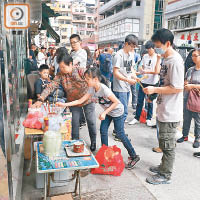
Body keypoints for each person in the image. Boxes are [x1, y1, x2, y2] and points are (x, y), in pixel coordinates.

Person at [56, 67, 140, 169]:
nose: (85, 80)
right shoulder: (91, 89)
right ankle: (105, 155)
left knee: (120, 134)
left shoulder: (104, 89)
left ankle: (134, 156)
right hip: (109, 112)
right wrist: (64, 104)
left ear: (95, 79)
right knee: (103, 131)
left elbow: (116, 102)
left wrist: (104, 112)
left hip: (118, 112)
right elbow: (79, 101)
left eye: (87, 78)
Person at [143, 28, 184, 185]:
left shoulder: (175, 61)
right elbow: (164, 83)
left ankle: (165, 175)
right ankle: (163, 167)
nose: (155, 48)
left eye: (157, 45)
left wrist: (155, 89)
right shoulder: (166, 59)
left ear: (168, 43)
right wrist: (154, 94)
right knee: (163, 141)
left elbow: (177, 88)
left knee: (167, 145)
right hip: (163, 108)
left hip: (171, 112)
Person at [33, 54, 97, 151]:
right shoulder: (60, 75)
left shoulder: (81, 71)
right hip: (73, 102)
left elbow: (93, 80)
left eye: (63, 67)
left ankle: (93, 141)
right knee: (74, 124)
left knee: (91, 122)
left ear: (71, 64)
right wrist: (41, 99)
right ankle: (75, 143)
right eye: (60, 67)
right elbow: (51, 87)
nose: (61, 69)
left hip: (88, 100)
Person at [129, 41, 159, 127]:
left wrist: (147, 71)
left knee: (150, 101)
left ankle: (148, 118)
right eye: (147, 49)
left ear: (153, 49)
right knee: (140, 100)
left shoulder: (157, 57)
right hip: (143, 81)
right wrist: (141, 69)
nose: (148, 51)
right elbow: (141, 66)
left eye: (149, 49)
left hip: (152, 83)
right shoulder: (145, 56)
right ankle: (136, 117)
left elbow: (157, 71)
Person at [177, 49, 200, 150]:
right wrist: (186, 84)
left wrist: (193, 86)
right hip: (187, 97)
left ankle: (197, 139)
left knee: (198, 120)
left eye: (196, 55)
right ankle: (184, 135)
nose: (193, 57)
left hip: (197, 99)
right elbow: (185, 80)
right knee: (186, 118)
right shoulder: (190, 69)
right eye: (192, 56)